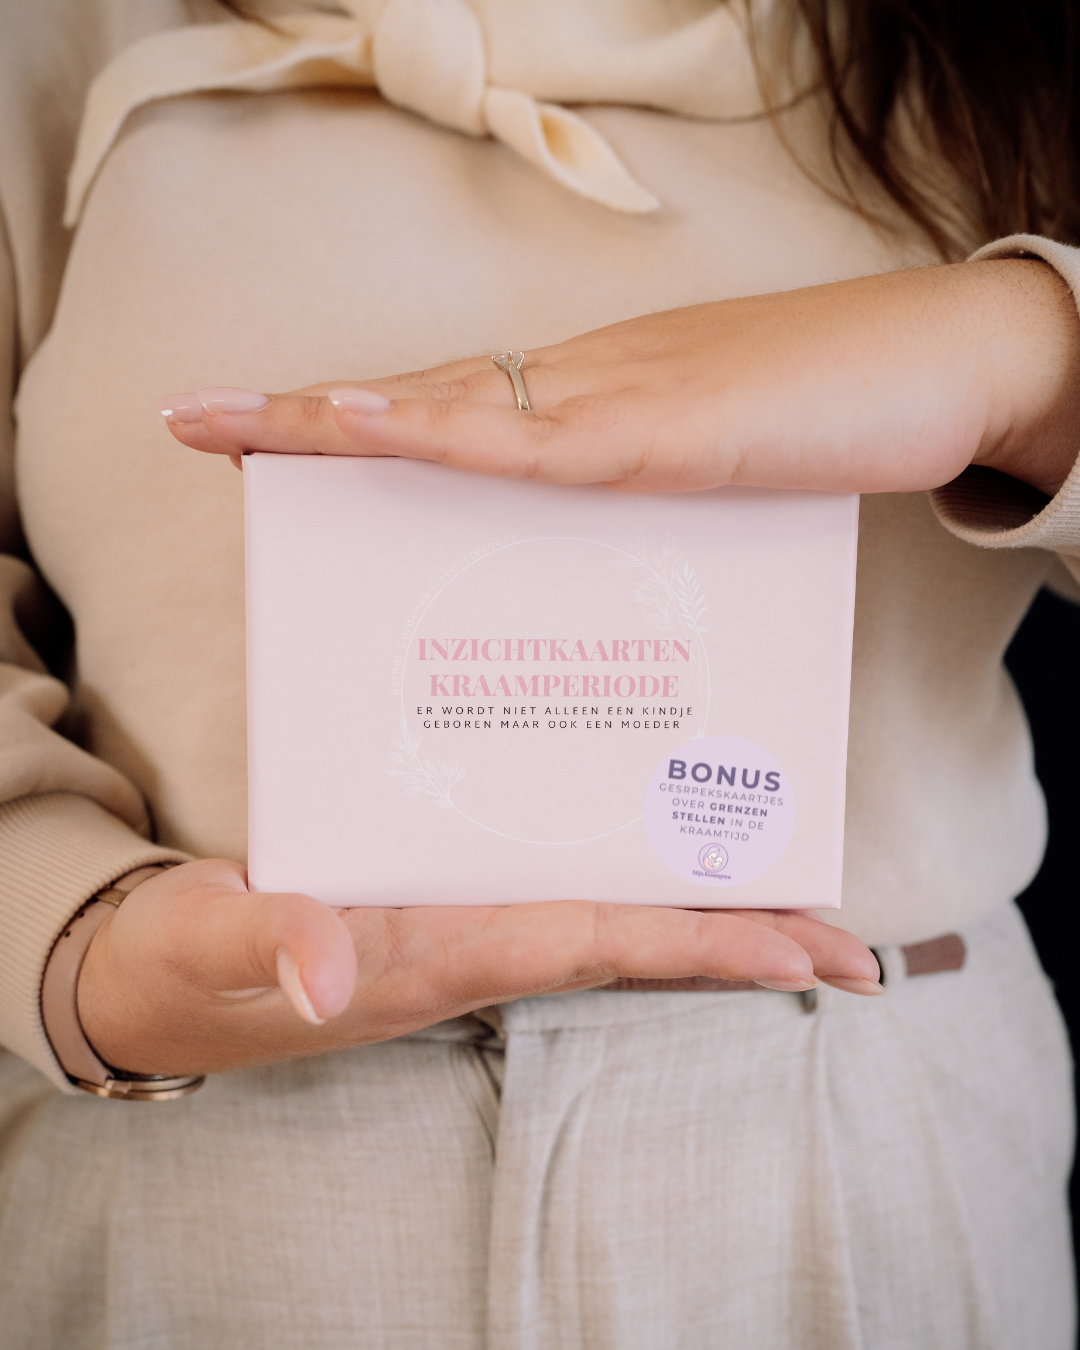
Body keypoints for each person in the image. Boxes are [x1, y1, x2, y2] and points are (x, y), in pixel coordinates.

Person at [1, 0, 1076, 1345]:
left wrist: (1023, 352)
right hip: (180, 1150)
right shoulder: (43, 39)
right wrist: (61, 935)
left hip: (861, 1132)